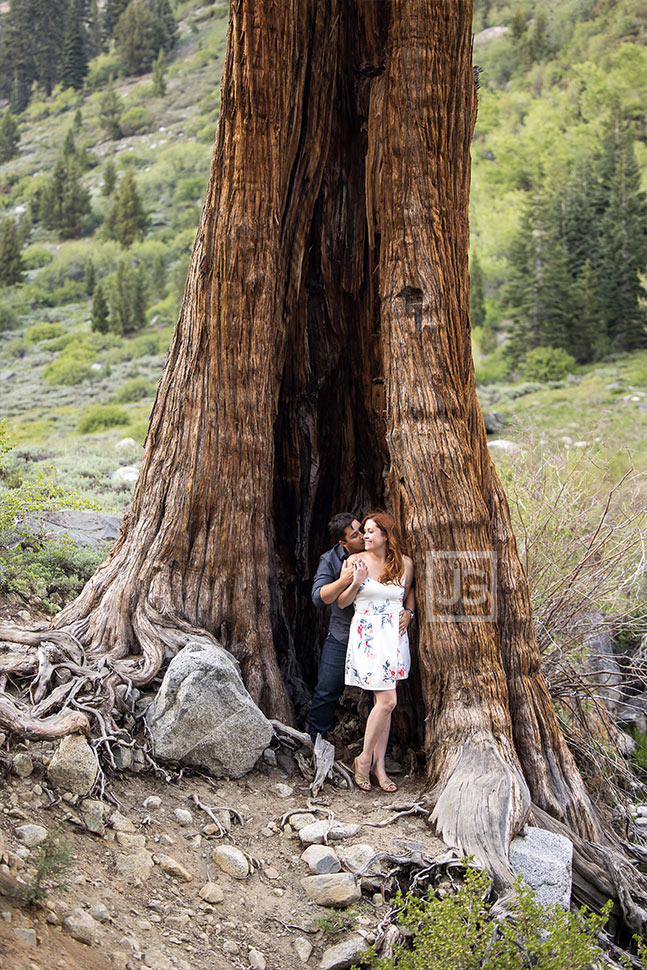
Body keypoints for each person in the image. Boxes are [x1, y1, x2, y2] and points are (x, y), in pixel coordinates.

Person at [337, 511, 415, 793]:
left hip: (394, 637)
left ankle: (379, 767)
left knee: (386, 704)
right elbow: (343, 602)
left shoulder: (405, 564)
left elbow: (407, 593)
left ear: (386, 535)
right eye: (364, 531)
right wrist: (356, 582)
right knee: (387, 701)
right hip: (368, 637)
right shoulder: (355, 561)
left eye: (371, 531)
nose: (365, 536)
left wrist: (410, 611)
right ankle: (363, 759)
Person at [308, 513, 365, 743]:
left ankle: (385, 751)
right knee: (326, 691)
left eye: (361, 530)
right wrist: (345, 579)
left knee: (379, 695)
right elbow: (318, 598)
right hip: (341, 635)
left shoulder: (377, 552)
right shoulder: (331, 559)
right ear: (343, 543)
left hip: (373, 637)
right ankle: (314, 743)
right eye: (355, 535)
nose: (362, 536)